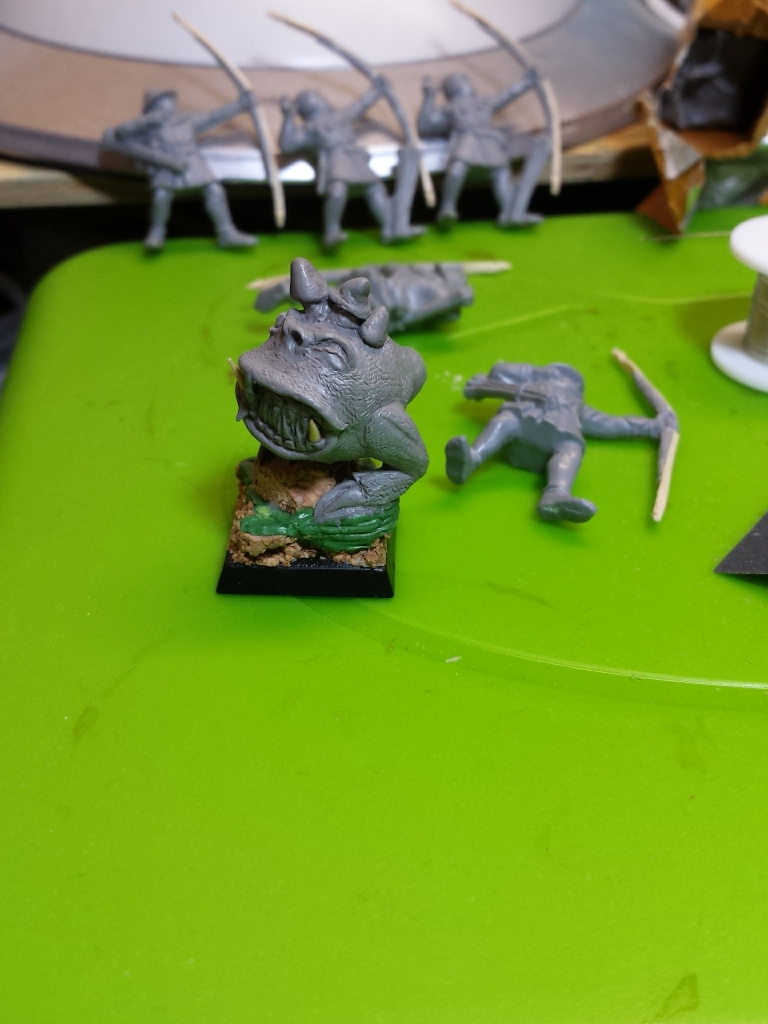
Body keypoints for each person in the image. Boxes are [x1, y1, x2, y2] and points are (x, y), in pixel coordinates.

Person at [445, 361, 673, 523]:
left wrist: (653, 426)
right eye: (556, 374)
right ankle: (472, 459)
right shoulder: (531, 385)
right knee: (504, 421)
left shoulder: (578, 407)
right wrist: (517, 377)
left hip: (557, 439)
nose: (561, 380)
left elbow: (612, 424)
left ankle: (556, 494)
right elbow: (500, 371)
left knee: (571, 450)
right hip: (522, 424)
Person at [103, 89, 256, 251]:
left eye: (171, 102)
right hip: (166, 165)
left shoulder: (187, 120)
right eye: (164, 102)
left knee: (215, 190)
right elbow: (121, 132)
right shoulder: (148, 127)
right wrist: (148, 120)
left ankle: (227, 233)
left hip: (192, 164)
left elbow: (214, 116)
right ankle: (156, 234)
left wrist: (240, 105)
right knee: (161, 195)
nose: (169, 107)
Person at [279, 81, 423, 249]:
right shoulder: (309, 129)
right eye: (316, 98)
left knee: (376, 189)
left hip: (355, 158)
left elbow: (360, 105)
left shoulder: (340, 116)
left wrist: (377, 90)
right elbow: (287, 144)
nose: (322, 99)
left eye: (319, 96)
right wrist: (288, 118)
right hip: (335, 161)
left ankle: (389, 228)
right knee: (337, 191)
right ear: (308, 106)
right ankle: (331, 232)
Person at [417, 71, 549, 228]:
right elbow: (426, 125)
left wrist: (526, 83)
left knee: (501, 174)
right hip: (467, 140)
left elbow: (506, 95)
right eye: (462, 82)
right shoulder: (449, 109)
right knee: (456, 170)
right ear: (454, 88)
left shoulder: (484, 102)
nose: (468, 85)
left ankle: (509, 212)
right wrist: (429, 97)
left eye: (465, 81)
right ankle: (448, 208)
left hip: (488, 141)